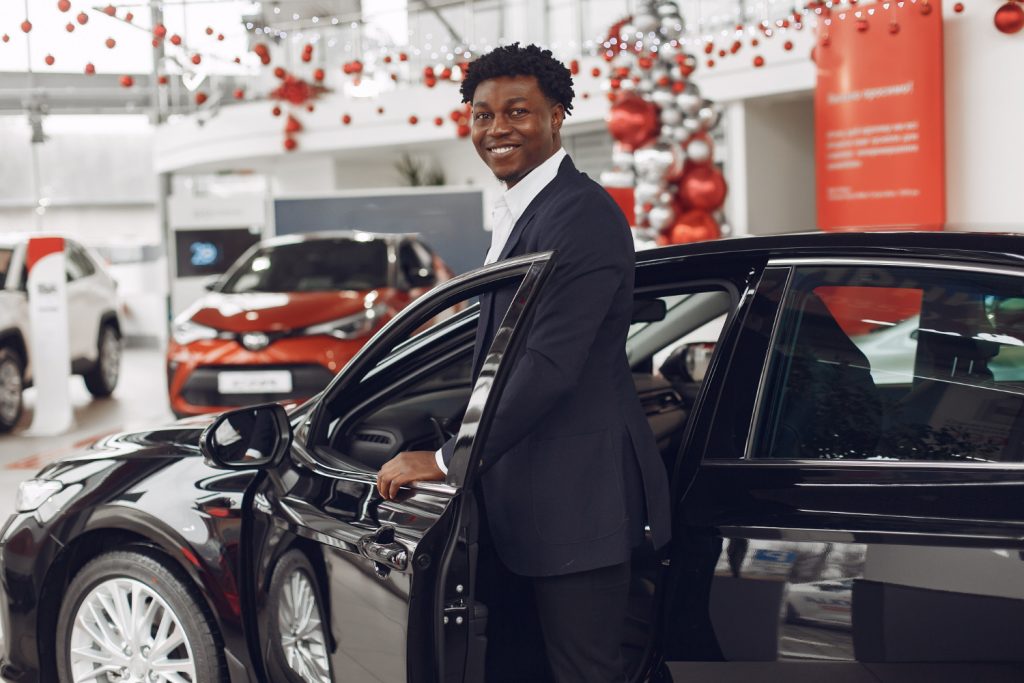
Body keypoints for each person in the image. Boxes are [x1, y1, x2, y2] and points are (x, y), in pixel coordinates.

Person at [377, 43, 671, 683]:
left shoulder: (581, 215)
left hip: (577, 502)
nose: (497, 128)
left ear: (558, 115)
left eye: (518, 111)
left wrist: (449, 456)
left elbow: (547, 365)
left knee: (585, 674)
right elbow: (496, 356)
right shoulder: (525, 210)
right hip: (523, 500)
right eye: (482, 115)